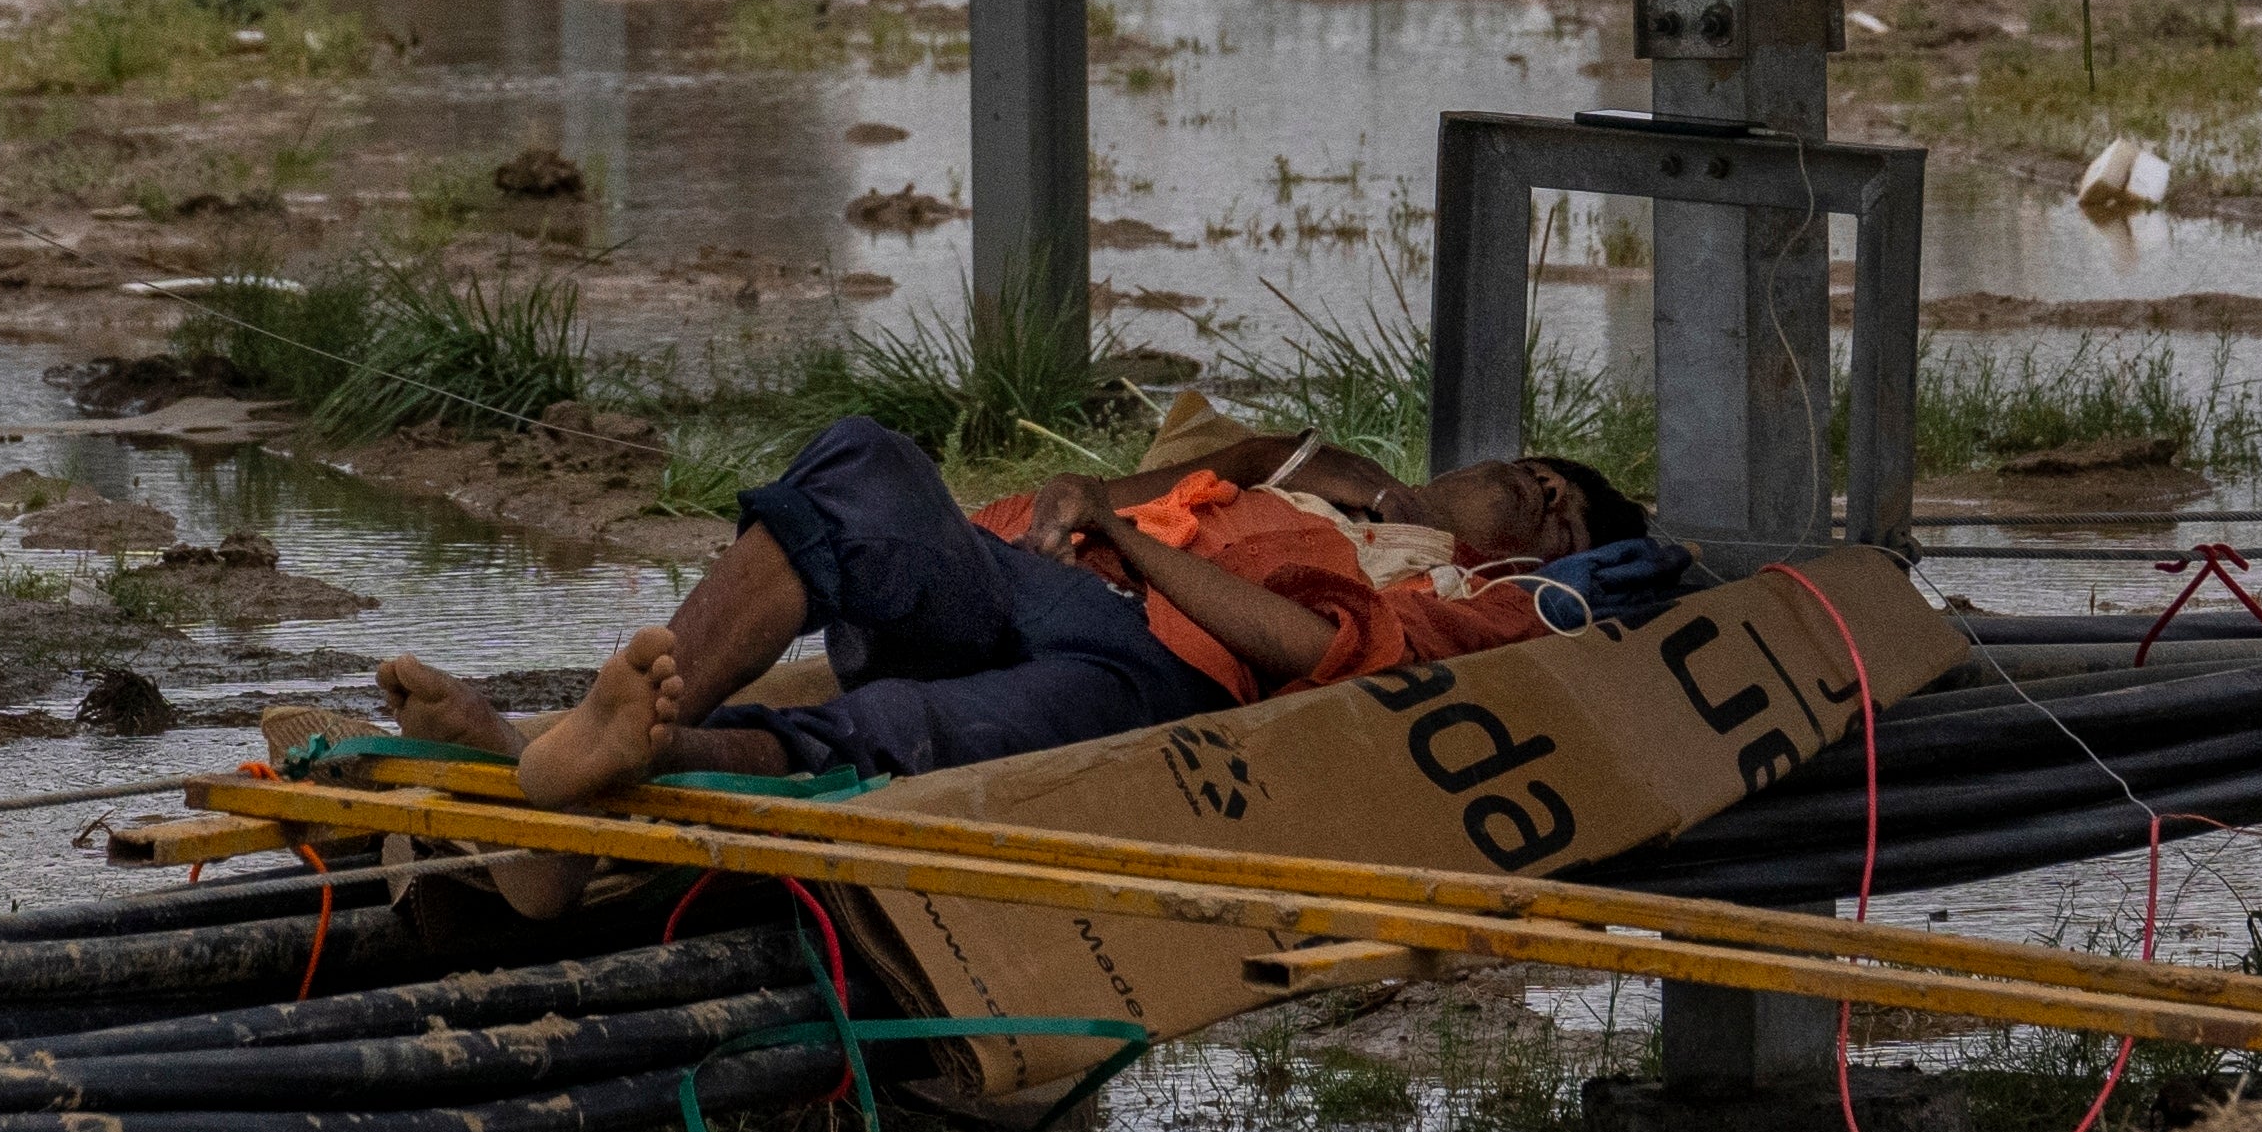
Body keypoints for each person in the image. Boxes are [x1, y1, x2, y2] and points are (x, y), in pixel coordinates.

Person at [375, 414, 1650, 815]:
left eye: (1567, 521)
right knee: (865, 466)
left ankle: (600, 751)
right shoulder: (1312, 467)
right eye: (1540, 478)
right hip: (1039, 577)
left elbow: (1315, 655)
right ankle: (604, 736)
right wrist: (1083, 502)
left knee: (914, 736)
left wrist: (1127, 545)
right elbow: (1109, 494)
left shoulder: (1480, 596)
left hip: (1165, 679)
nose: (1543, 504)